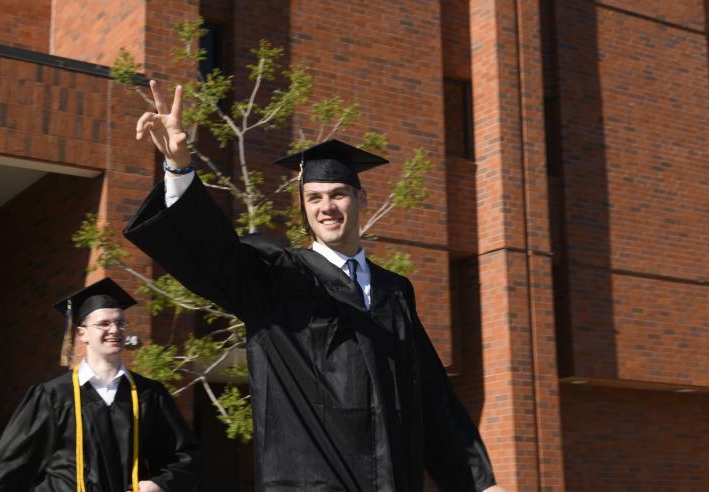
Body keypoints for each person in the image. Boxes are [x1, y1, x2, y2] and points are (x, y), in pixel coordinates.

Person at [124, 80, 503, 491]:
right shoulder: (276, 277)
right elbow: (214, 256)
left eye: (338, 195)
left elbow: (431, 396)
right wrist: (178, 167)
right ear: (303, 206)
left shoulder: (394, 291)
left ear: (361, 199)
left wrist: (478, 482)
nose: (326, 208)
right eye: (314, 197)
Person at [0, 278, 199, 492]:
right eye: (104, 323)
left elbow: (184, 457)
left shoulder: (148, 393)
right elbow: (11, 467)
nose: (114, 330)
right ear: (82, 333)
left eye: (120, 323)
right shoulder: (53, 396)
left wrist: (160, 483)